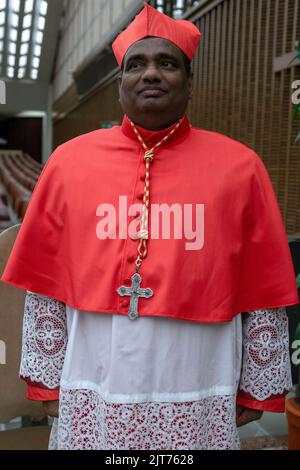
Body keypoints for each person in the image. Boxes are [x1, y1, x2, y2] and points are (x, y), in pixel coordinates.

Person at [1, 4, 299, 450]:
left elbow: (262, 285)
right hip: (95, 369)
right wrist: (46, 382)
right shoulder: (68, 163)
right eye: (135, 64)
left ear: (190, 80)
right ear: (120, 83)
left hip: (199, 367)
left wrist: (258, 382)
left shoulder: (241, 167)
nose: (151, 73)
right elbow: (46, 283)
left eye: (167, 63)